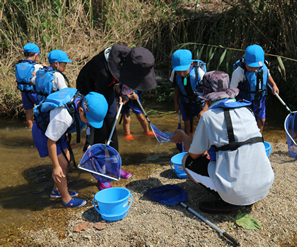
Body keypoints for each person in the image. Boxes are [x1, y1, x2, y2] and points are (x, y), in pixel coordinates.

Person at [171, 71, 274, 214]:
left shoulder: (209, 117)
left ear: (206, 97)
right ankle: (241, 194)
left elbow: (194, 155)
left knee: (186, 161)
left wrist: (183, 135)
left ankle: (226, 200)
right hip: (264, 184)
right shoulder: (247, 110)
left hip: (237, 192)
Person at [76, 45, 157, 190]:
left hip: (106, 90)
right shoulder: (103, 72)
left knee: (112, 130)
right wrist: (88, 142)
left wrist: (122, 94)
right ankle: (101, 176)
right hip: (92, 93)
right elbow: (94, 113)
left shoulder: (129, 59)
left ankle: (114, 167)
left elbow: (122, 81)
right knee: (100, 131)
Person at [32, 88, 108, 207]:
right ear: (81, 110)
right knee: (61, 165)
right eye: (89, 120)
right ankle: (66, 198)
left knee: (67, 160)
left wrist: (87, 145)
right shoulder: (63, 118)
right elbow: (51, 141)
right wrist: (55, 166)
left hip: (58, 131)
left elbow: (88, 126)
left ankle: (57, 190)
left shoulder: (83, 102)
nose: (89, 123)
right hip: (45, 134)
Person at [230, 44, 279, 133]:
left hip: (260, 99)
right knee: (245, 122)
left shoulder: (263, 66)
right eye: (250, 66)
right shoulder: (239, 71)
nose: (253, 68)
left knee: (262, 120)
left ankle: (258, 138)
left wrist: (274, 85)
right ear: (245, 61)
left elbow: (267, 75)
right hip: (244, 100)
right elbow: (232, 89)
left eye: (256, 66)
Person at [170, 49, 205, 140]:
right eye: (178, 71)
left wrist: (204, 110)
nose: (181, 74)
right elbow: (176, 88)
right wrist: (176, 104)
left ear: (191, 64)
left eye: (184, 71)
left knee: (203, 128)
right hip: (185, 103)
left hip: (199, 103)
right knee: (188, 128)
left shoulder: (199, 73)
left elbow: (207, 93)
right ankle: (188, 149)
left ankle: (202, 150)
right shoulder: (174, 73)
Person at [15, 43, 47, 128]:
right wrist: (45, 67)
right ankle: (41, 128)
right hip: (35, 93)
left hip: (24, 93)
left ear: (24, 54)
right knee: (42, 110)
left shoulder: (18, 66)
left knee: (28, 112)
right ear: (36, 55)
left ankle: (30, 128)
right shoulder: (37, 66)